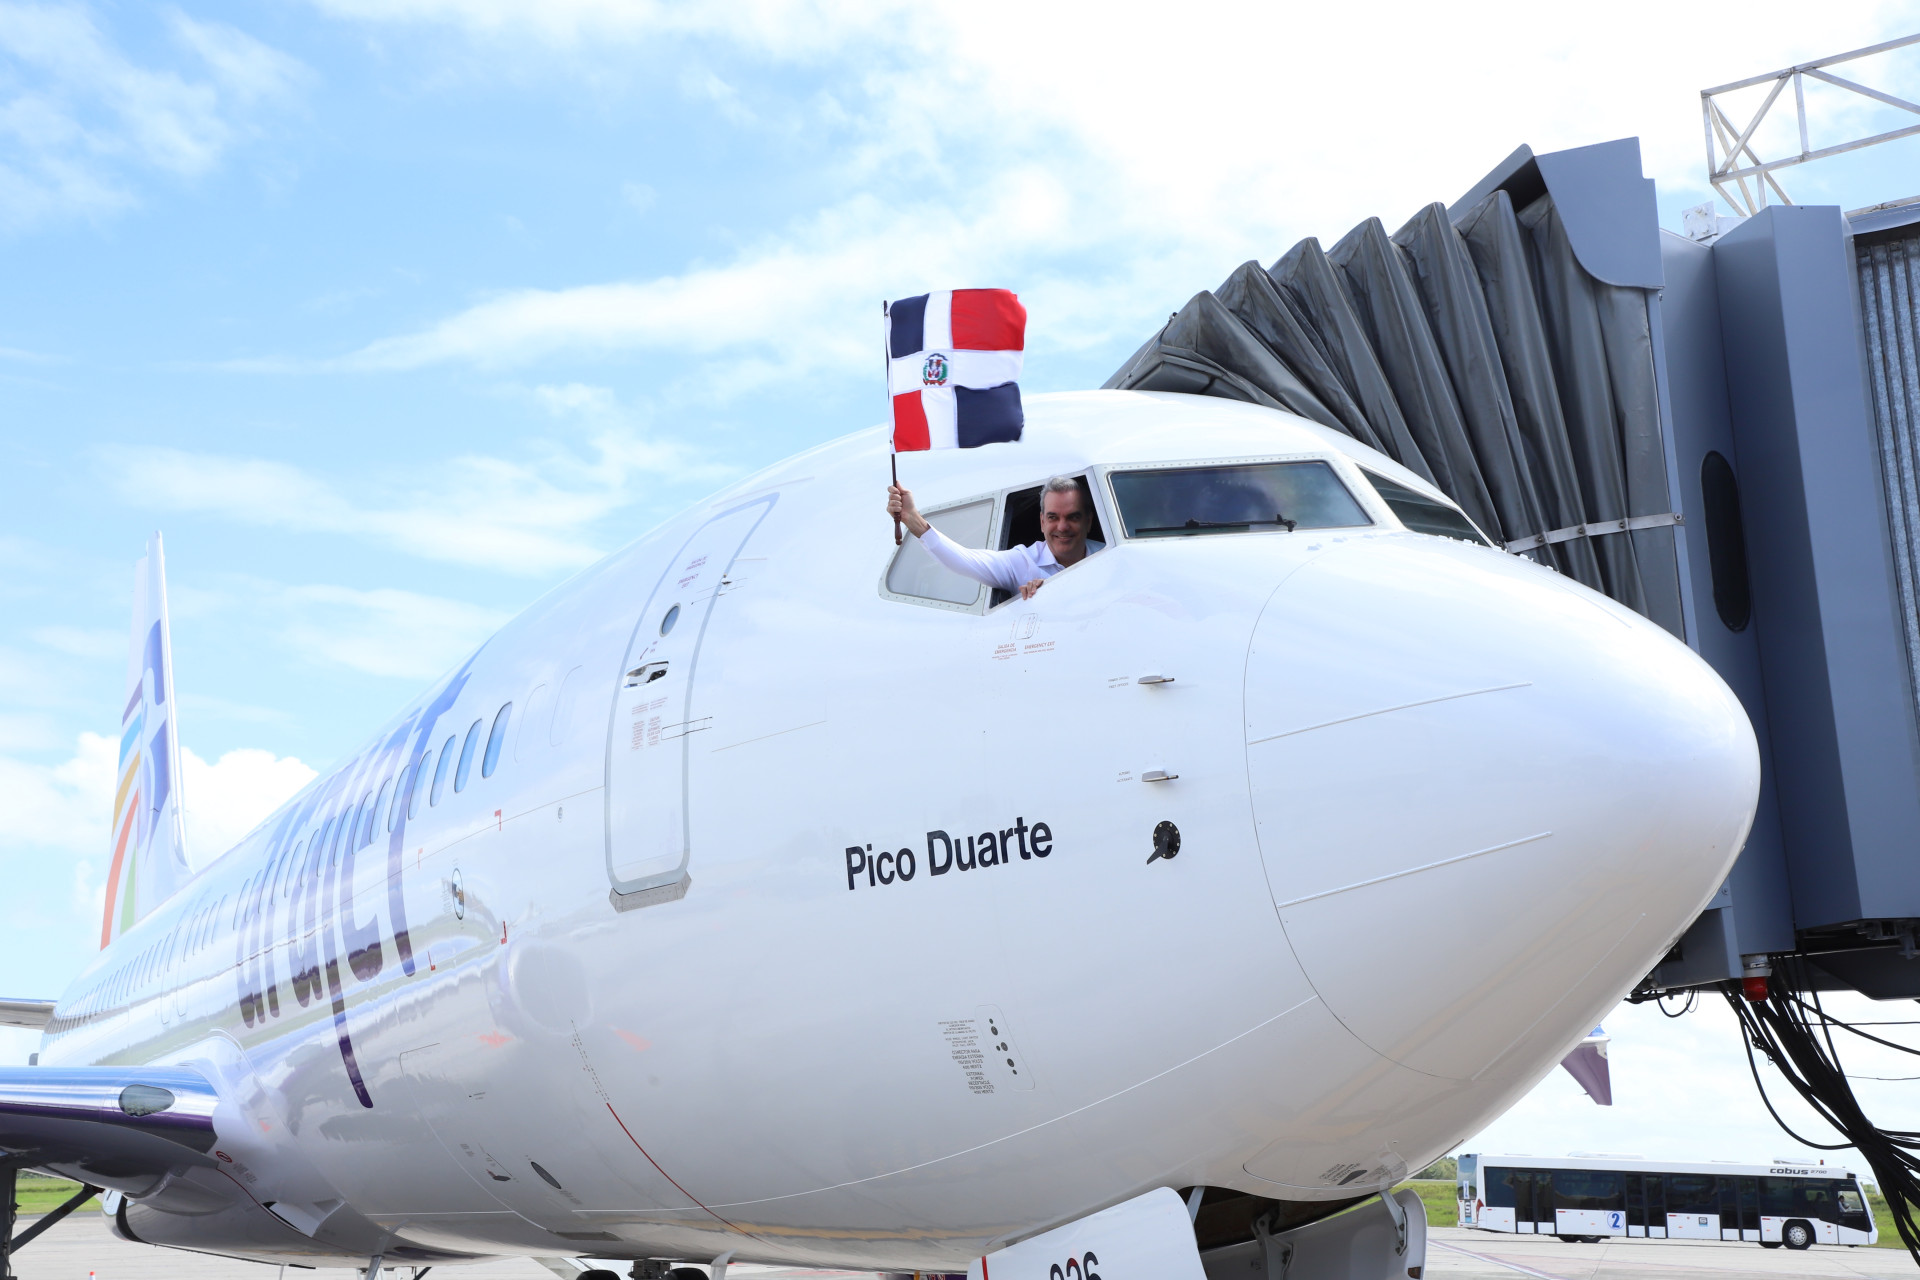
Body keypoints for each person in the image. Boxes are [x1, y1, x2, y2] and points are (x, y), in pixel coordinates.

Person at [888, 475, 1103, 600]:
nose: (1062, 527)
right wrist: (913, 519)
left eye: (1073, 517)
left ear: (1089, 521)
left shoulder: (1108, 554)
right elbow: (964, 560)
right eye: (1053, 517)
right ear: (1042, 522)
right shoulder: (1022, 562)